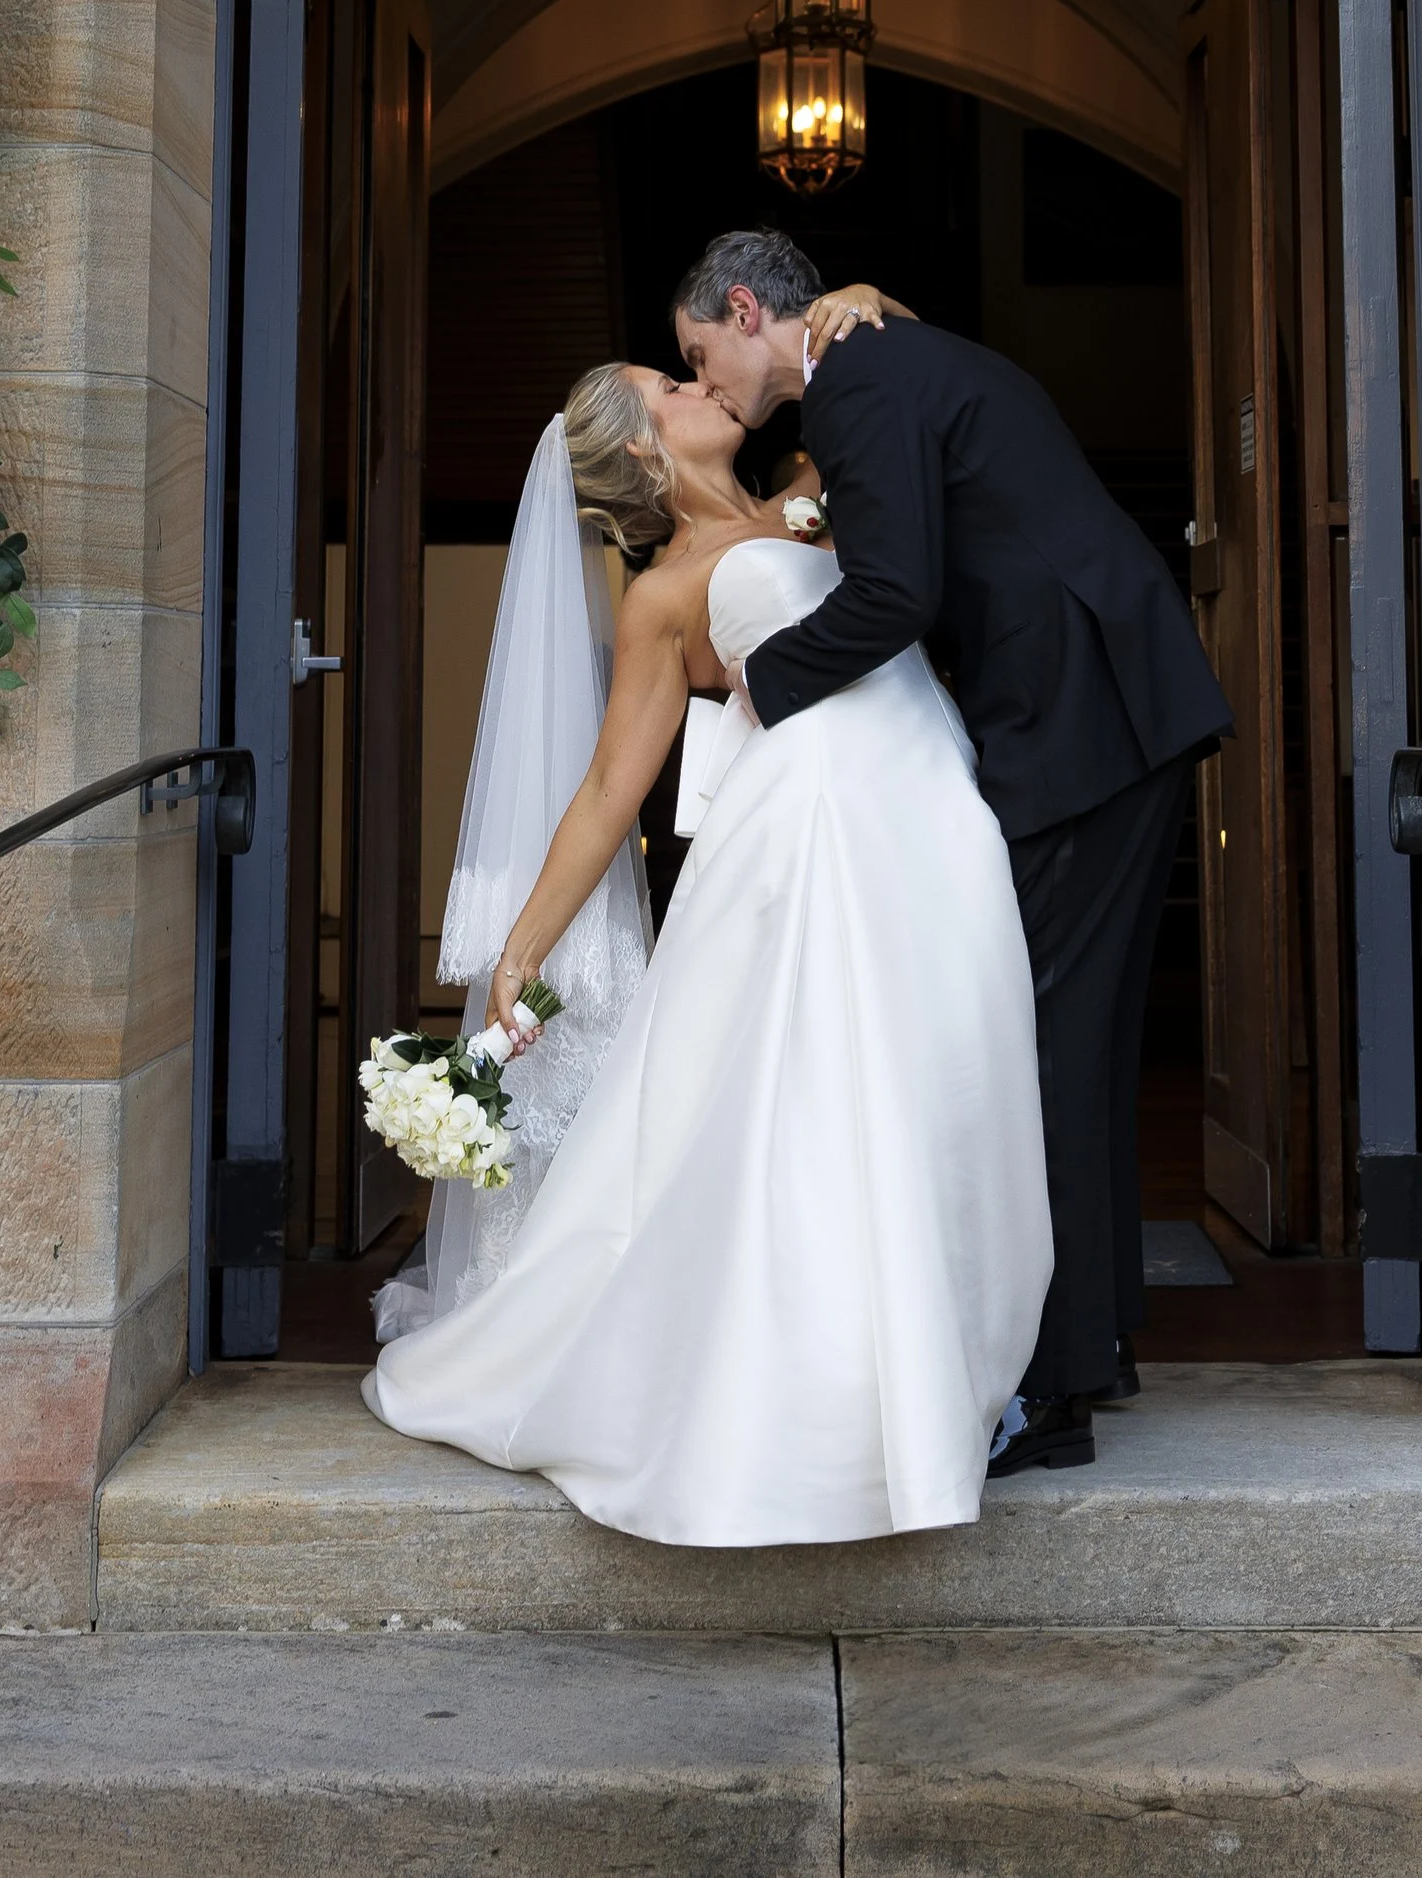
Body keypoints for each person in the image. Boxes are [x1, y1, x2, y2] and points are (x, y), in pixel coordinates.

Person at [361, 344, 1052, 1547]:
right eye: (673, 388)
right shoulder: (666, 592)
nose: (701, 388)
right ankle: (833, 1409)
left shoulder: (813, 494)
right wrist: (518, 955)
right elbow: (605, 795)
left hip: (931, 809)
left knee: (954, 1084)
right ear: (641, 443)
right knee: (834, 1116)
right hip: (812, 848)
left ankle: (955, 1369)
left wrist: (862, 320)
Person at [677, 224, 1232, 1478]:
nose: (706, 381)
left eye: (699, 352)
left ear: (750, 309)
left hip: (1081, 723)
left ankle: (1052, 1391)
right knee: (1068, 1046)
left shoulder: (861, 376)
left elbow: (897, 594)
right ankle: (1096, 1342)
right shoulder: (885, 358)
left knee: (1035, 1050)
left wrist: (758, 684)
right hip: (1101, 712)